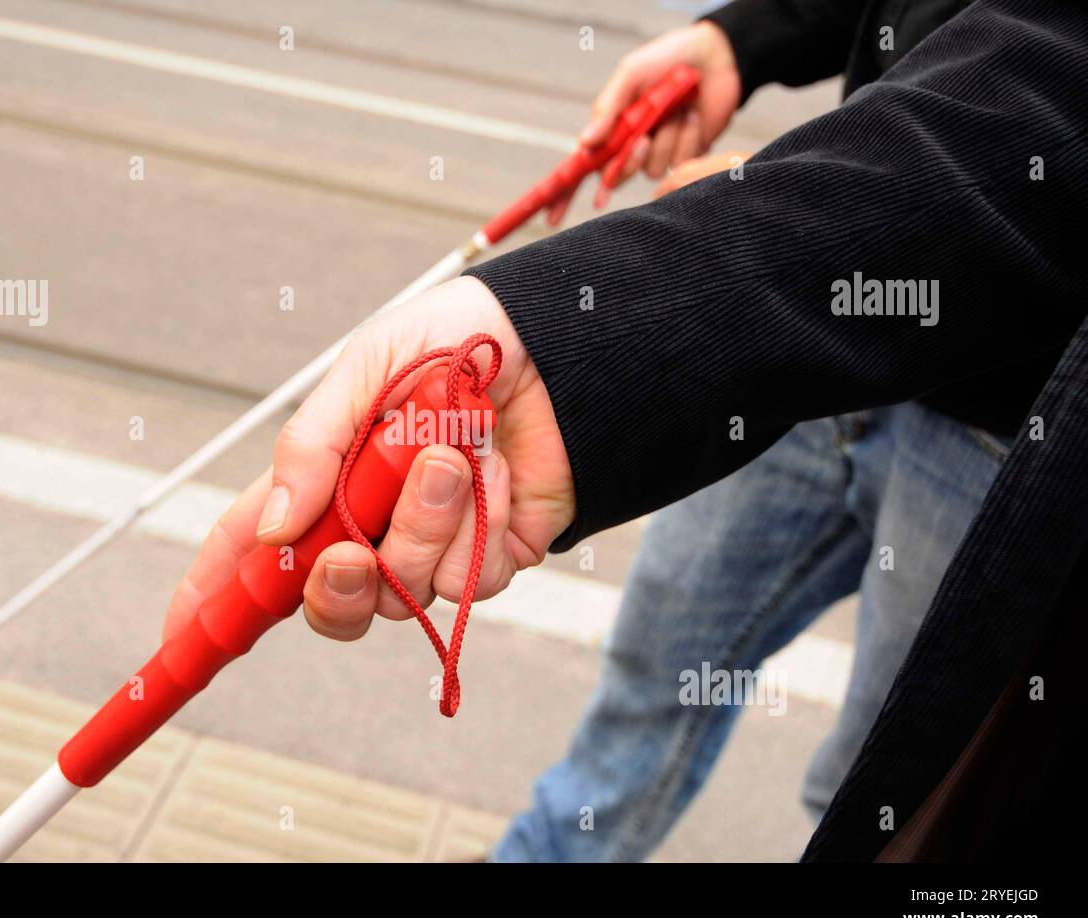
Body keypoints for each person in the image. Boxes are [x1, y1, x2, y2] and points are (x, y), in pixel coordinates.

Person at [164, 0, 1088, 861]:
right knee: (653, 679)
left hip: (1004, 429)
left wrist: (677, 275)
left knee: (885, 785)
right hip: (797, 372)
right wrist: (751, 34)